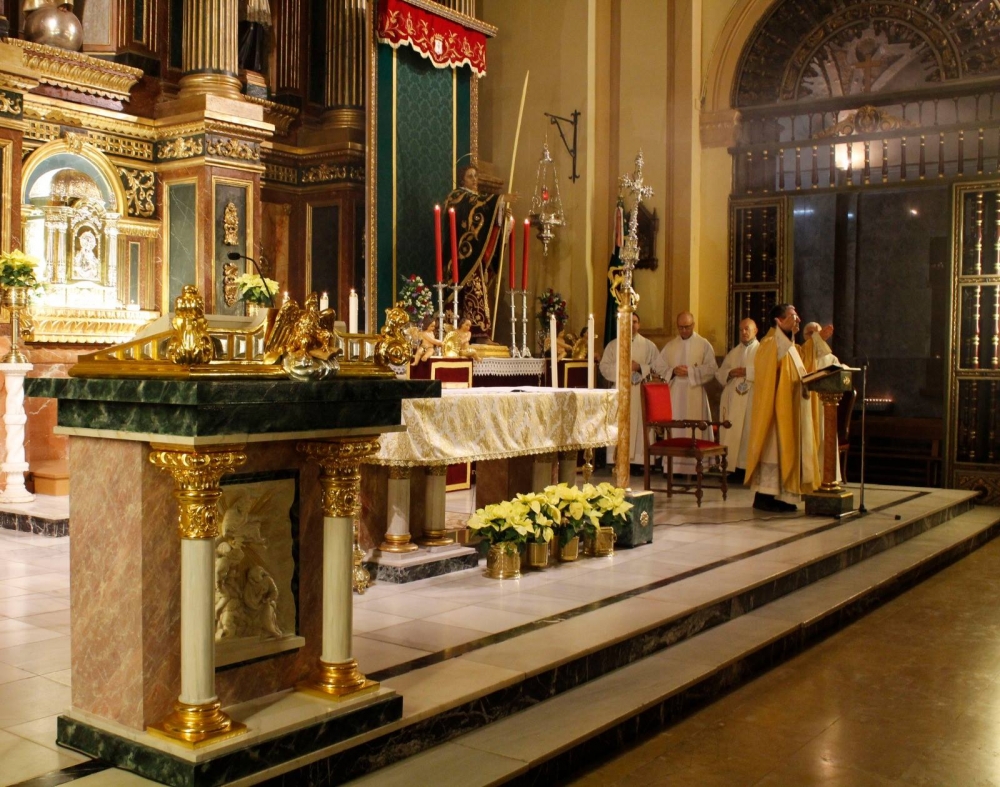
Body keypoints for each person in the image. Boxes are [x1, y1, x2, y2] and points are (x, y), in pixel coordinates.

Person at [744, 303, 820, 512]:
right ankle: (764, 497)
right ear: (779, 321)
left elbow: (803, 361)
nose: (798, 320)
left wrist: (815, 341)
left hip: (790, 409)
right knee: (773, 452)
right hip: (775, 412)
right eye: (792, 316)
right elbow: (772, 363)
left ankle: (778, 496)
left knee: (783, 453)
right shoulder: (770, 343)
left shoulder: (789, 345)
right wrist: (784, 332)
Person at [443, 165, 506, 343]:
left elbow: (484, 215)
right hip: (460, 255)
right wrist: (499, 200)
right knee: (471, 288)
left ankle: (478, 332)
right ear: (462, 179)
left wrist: (500, 213)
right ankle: (465, 333)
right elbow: (473, 206)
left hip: (474, 253)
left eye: (476, 176)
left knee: (477, 288)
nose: (474, 179)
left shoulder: (477, 199)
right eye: (470, 176)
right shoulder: (456, 196)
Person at [599, 311, 668, 475]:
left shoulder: (649, 346)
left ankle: (639, 462)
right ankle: (617, 460)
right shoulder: (613, 345)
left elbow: (660, 368)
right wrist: (622, 368)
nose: (632, 325)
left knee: (639, 425)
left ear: (639, 324)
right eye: (628, 322)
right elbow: (604, 367)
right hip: (620, 391)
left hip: (641, 392)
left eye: (635, 321)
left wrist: (640, 367)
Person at [657, 311, 718, 474]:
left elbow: (712, 368)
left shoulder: (703, 344)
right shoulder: (671, 346)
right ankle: (674, 468)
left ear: (693, 325)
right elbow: (659, 366)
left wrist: (690, 371)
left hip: (695, 391)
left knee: (695, 428)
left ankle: (697, 468)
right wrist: (673, 371)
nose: (684, 330)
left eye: (687, 327)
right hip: (675, 393)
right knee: (676, 428)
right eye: (681, 327)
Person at [716, 318, 759, 482]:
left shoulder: (761, 351)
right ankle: (732, 469)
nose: (743, 332)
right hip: (733, 401)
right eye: (741, 330)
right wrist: (730, 373)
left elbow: (768, 371)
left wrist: (748, 372)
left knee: (748, 433)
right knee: (732, 433)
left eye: (747, 329)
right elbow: (720, 373)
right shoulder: (733, 352)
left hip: (751, 400)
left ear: (755, 330)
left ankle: (748, 470)